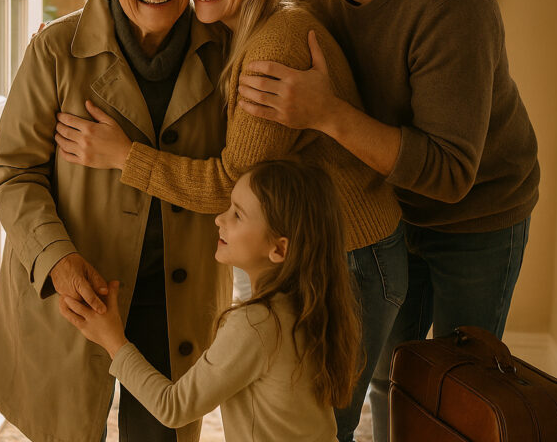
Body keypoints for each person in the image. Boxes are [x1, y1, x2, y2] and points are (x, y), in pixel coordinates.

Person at [53, 0, 401, 440]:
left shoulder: (272, 46)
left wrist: (124, 156)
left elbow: (226, 183)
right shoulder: (243, 30)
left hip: (351, 254)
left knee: (318, 426)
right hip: (321, 245)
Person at [236, 0, 540, 440]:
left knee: (461, 392)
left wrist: (327, 113)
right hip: (385, 213)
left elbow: (452, 174)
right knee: (384, 373)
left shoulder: (453, 3)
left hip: (477, 216)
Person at [0, 0, 233, 442]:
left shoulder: (228, 51)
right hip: (75, 287)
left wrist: (129, 156)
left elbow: (233, 182)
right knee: (71, 426)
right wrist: (57, 259)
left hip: (179, 297)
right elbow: (12, 172)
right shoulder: (55, 49)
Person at [59, 160, 361, 442]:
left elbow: (173, 407)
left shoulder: (257, 323)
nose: (219, 219)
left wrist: (113, 340)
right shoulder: (308, 306)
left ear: (279, 250)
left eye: (237, 215)